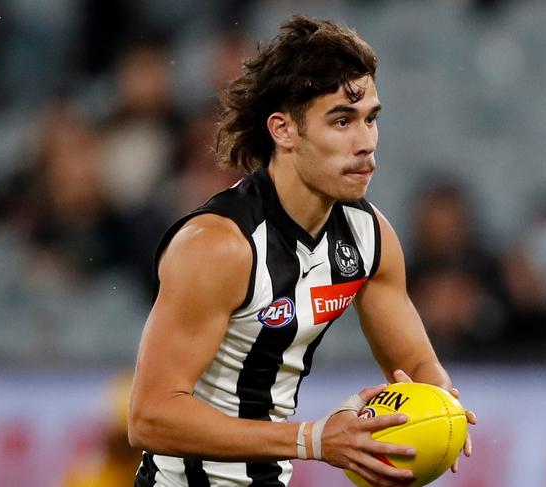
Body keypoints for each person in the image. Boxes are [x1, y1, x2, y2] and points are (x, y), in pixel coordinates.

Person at [128, 16, 475, 487]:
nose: (366, 143)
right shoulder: (219, 245)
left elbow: (415, 367)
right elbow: (150, 417)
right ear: (284, 130)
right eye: (341, 120)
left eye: (371, 118)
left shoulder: (368, 237)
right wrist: (314, 440)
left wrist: (440, 409)